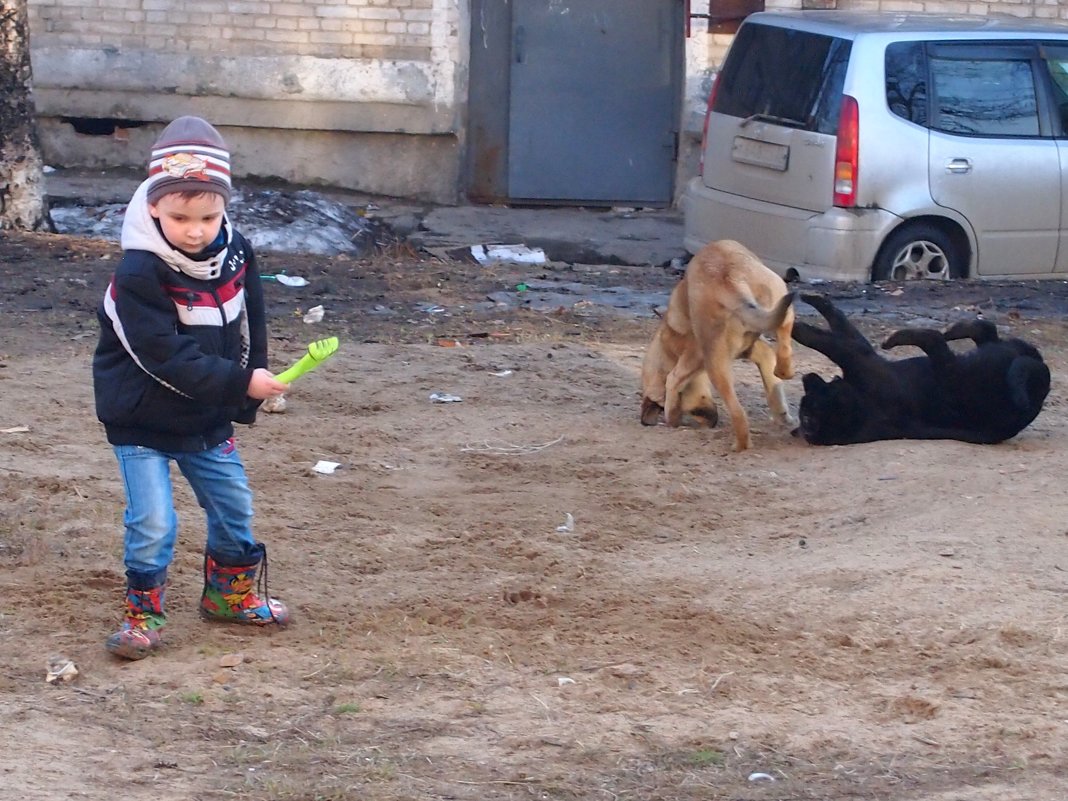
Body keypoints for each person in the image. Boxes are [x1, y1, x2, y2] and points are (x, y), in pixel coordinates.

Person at [93, 116, 290, 660]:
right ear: (153, 205)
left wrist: (247, 395)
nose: (195, 229)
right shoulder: (138, 272)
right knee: (154, 519)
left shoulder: (235, 252)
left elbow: (250, 325)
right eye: (180, 216)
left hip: (206, 413)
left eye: (209, 215)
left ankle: (229, 597)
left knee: (234, 507)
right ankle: (143, 616)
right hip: (142, 417)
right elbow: (163, 356)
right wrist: (237, 383)